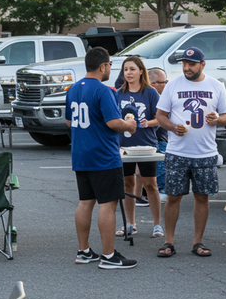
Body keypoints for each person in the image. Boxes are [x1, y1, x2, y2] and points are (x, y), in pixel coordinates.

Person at [155, 47, 226, 258]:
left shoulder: (216, 86)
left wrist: (218, 119)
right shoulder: (173, 85)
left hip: (205, 153)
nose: (187, 68)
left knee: (202, 198)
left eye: (191, 64)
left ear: (202, 64)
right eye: (184, 64)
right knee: (173, 197)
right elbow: (160, 115)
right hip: (177, 152)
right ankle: (168, 241)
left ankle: (198, 241)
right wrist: (172, 127)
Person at [68, 47, 138, 269]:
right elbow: (112, 122)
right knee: (107, 205)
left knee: (85, 202)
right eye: (109, 64)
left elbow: (70, 123)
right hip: (103, 157)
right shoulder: (104, 90)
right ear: (102, 66)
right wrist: (129, 125)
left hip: (81, 155)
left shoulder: (73, 89)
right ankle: (108, 256)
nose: (110, 68)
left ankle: (84, 251)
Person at [115, 56, 163, 239]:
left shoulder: (151, 93)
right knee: (128, 184)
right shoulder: (118, 93)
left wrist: (147, 122)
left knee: (150, 184)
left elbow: (161, 118)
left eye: (132, 69)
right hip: (124, 146)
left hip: (146, 145)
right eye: (126, 69)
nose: (128, 73)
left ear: (141, 71)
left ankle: (157, 225)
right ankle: (130, 223)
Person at [148, 67, 169, 200]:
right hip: (157, 139)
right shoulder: (153, 97)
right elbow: (157, 120)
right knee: (161, 166)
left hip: (162, 138)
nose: (166, 84)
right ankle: (161, 190)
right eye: (163, 82)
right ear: (152, 83)